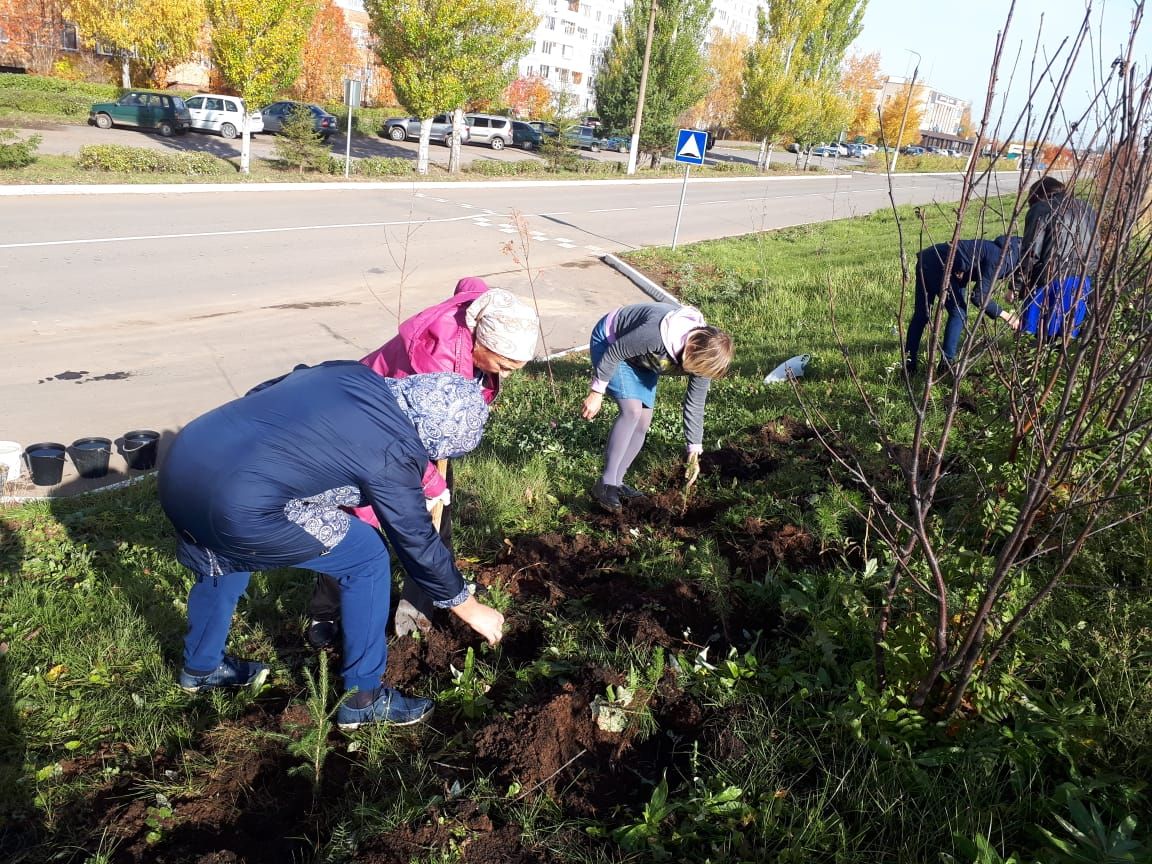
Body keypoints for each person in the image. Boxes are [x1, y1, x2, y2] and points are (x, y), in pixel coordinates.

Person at [158, 367, 505, 729]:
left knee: (223, 548)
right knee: (366, 556)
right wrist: (470, 607)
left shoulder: (357, 376)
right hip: (237, 505)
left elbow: (269, 385)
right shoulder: (392, 451)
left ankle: (201, 666)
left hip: (186, 463)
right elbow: (416, 540)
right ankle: (363, 699)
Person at [306, 278, 539, 646]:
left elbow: (471, 286)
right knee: (357, 529)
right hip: (373, 436)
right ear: (480, 341)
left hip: (430, 434)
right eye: (503, 364)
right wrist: (427, 480)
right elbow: (399, 444)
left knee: (437, 519)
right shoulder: (435, 361)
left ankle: (430, 597)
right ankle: (325, 613)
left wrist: (435, 487)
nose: (505, 375)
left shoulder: (480, 318)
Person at [581, 302, 733, 513]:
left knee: (643, 421)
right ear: (692, 347)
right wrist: (596, 392)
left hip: (644, 361)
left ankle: (617, 481)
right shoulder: (658, 333)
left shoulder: (703, 358)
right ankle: (605, 484)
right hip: (611, 343)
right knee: (632, 411)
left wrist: (693, 452)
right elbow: (616, 351)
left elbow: (695, 404)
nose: (695, 373)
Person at [904, 235, 1023, 374]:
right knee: (959, 313)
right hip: (938, 264)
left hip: (929, 258)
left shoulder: (998, 251)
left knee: (922, 315)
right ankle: (946, 365)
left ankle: (908, 366)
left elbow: (968, 270)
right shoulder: (1001, 260)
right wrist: (1007, 316)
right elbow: (978, 297)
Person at [1018, 177, 1100, 341]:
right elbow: (1096, 245)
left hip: (1048, 279)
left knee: (1036, 335)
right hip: (1081, 279)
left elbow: (1032, 251)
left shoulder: (1041, 209)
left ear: (1037, 195)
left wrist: (1018, 283)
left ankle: (1033, 364)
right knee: (1066, 334)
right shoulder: (1087, 208)